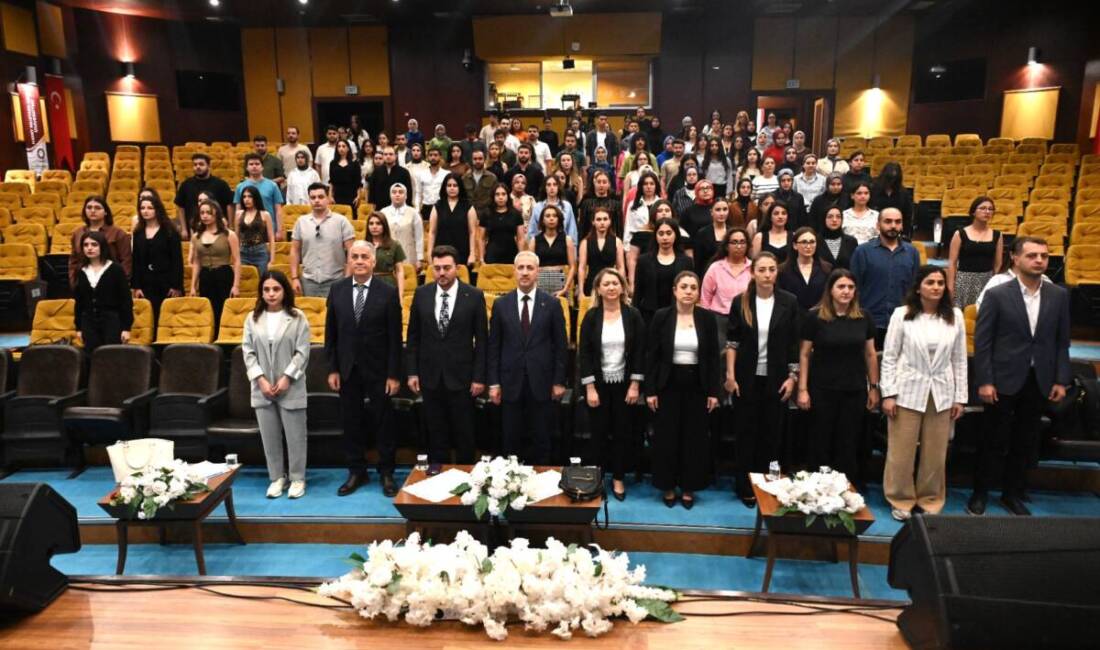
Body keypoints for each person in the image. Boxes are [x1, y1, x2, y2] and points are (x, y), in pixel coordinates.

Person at [968, 237, 1071, 517]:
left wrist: (1061, 379)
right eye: (1032, 255)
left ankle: (1011, 494)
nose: (1039, 260)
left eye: (1044, 256)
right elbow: (983, 342)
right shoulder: (997, 294)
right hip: (1002, 379)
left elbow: (1062, 342)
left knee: (1025, 440)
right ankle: (980, 493)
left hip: (1039, 379)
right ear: (1015, 258)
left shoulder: (1059, 295)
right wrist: (985, 380)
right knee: (991, 439)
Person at [880, 265, 967, 521]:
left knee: (935, 453)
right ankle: (900, 499)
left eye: (940, 283)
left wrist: (960, 397)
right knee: (901, 452)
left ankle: (930, 500)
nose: (936, 287)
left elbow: (959, 359)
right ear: (918, 287)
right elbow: (890, 356)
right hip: (906, 390)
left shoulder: (955, 316)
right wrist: (888, 394)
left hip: (941, 392)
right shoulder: (902, 314)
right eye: (930, 282)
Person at [325, 241, 402, 497]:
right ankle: (356, 471)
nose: (359, 261)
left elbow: (395, 338)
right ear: (349, 260)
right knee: (351, 422)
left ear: (373, 261)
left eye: (364, 257)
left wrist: (393, 374)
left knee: (384, 422)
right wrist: (333, 369)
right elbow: (331, 334)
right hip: (347, 369)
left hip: (379, 370)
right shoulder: (337, 290)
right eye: (355, 256)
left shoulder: (388, 292)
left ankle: (387, 472)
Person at [725, 252, 801, 505]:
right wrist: (730, 375)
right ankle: (745, 486)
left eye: (772, 269)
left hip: (776, 379)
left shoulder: (789, 302)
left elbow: (794, 344)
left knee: (772, 435)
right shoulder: (741, 302)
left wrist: (792, 377)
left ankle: (768, 485)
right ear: (752, 272)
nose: (767, 274)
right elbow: (732, 343)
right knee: (746, 434)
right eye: (762, 270)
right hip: (745, 378)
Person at [406, 245, 488, 466]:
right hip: (430, 376)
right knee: (435, 432)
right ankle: (438, 475)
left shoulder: (474, 295)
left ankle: (465, 476)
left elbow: (482, 341)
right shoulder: (422, 294)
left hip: (463, 378)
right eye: (437, 268)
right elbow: (413, 337)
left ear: (457, 268)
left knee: (464, 433)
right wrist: (412, 372)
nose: (441, 273)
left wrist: (479, 377)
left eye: (446, 268)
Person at [796, 268, 880, 482]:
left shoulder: (864, 317)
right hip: (821, 389)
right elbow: (804, 354)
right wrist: (802, 389)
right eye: (841, 286)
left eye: (851, 287)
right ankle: (818, 486)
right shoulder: (814, 316)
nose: (846, 291)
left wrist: (874, 387)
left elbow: (870, 354)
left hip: (854, 390)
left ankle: (846, 486)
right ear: (830, 290)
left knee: (848, 441)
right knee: (820, 440)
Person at [646, 271, 720, 509]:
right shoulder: (662, 316)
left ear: (698, 293)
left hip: (697, 384)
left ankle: (689, 487)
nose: (689, 291)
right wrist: (650, 390)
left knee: (694, 438)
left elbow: (713, 357)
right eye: (684, 287)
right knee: (666, 437)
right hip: (667, 384)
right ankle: (667, 486)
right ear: (675, 291)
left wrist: (714, 391)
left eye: (693, 287)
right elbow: (652, 355)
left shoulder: (707, 318)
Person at [487, 251, 568, 464]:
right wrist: (493, 383)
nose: (525, 272)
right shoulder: (501, 305)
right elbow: (494, 346)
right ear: (514, 271)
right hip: (509, 383)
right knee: (511, 439)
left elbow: (561, 346)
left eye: (529, 268)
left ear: (537, 272)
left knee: (542, 438)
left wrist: (559, 381)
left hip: (542, 383)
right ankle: (511, 479)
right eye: (520, 268)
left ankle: (543, 480)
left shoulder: (552, 304)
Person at [242, 270, 311, 499]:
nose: (271, 294)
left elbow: (302, 352)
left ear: (284, 291)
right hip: (262, 388)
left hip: (290, 386)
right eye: (266, 289)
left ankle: (297, 478)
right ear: (261, 293)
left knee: (295, 436)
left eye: (276, 289)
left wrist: (287, 377)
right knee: (269, 437)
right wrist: (260, 379)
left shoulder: (298, 317)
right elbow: (248, 352)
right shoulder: (252, 318)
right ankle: (276, 478)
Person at [579, 268, 644, 501]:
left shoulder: (633, 315)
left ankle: (618, 478)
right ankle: (597, 479)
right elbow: (584, 354)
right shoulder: (591, 316)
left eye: (615, 283)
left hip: (625, 386)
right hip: (598, 385)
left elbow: (640, 351)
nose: (611, 287)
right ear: (598, 289)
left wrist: (635, 384)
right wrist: (590, 388)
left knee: (621, 433)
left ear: (622, 287)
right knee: (598, 433)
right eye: (606, 284)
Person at [850, 208, 921, 347]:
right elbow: (854, 287)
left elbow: (916, 287)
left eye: (898, 222)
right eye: (888, 221)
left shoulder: (912, 253)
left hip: (903, 322)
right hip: (870, 322)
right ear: (878, 225)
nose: (893, 225)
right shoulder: (862, 251)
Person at [290, 183, 355, 298]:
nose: (316, 200)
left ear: (328, 198)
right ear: (309, 200)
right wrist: (294, 278)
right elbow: (294, 250)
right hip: (308, 282)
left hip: (336, 280)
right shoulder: (301, 222)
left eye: (320, 197)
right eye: (313, 197)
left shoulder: (341, 221)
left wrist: (347, 278)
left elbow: (352, 251)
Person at [73, 230, 133, 353]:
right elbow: (79, 302)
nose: (89, 248)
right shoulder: (81, 270)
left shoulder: (115, 269)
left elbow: (126, 300)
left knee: (111, 356)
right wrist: (78, 328)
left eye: (94, 245)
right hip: (88, 322)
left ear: (103, 246)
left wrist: (126, 328)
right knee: (91, 355)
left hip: (111, 321)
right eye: (86, 245)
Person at [189, 199, 241, 331]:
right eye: (202, 213)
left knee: (223, 310)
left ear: (216, 213)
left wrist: (236, 285)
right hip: (205, 276)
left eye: (208, 212)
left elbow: (236, 261)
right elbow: (197, 262)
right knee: (208, 311)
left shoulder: (229, 235)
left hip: (223, 274)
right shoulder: (196, 236)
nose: (205, 216)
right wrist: (193, 286)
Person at [131, 193, 183, 325]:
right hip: (146, 283)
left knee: (166, 319)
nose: (145, 211)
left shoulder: (170, 231)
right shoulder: (138, 233)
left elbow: (177, 260)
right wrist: (136, 286)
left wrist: (176, 285)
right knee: (149, 319)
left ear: (157, 209)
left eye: (150, 208)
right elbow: (136, 261)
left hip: (166, 282)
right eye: (142, 208)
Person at [633, 217, 694, 323]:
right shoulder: (644, 260)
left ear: (676, 235)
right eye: (661, 234)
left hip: (677, 315)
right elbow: (638, 292)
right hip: (649, 315)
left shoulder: (686, 261)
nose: (665, 237)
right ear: (655, 236)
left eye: (669, 233)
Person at [947, 196, 1003, 308]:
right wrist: (950, 287)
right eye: (982, 208)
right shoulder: (960, 234)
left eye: (990, 209)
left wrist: (996, 284)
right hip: (964, 280)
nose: (987, 211)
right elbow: (952, 263)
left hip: (987, 280)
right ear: (973, 212)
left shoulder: (997, 235)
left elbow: (998, 264)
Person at [68, 196, 132, 288]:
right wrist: (74, 282)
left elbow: (126, 261)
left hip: (111, 283)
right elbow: (74, 261)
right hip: (84, 283)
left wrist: (120, 283)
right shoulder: (78, 233)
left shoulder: (118, 233)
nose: (93, 210)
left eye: (97, 208)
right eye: (89, 207)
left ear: (105, 212)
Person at [176, 153, 235, 237]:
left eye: (201, 164)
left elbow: (229, 205)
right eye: (195, 164)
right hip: (194, 229)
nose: (198, 167)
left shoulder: (221, 184)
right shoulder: (186, 185)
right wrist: (184, 229)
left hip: (218, 229)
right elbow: (180, 207)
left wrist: (231, 226)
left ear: (208, 166)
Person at [701, 227, 752, 320]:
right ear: (726, 246)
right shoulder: (715, 268)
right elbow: (705, 299)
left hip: (746, 318)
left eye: (742, 242)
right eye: (734, 242)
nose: (739, 246)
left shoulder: (753, 268)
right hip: (719, 317)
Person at [428, 173, 478, 267]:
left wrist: (472, 254)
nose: (452, 188)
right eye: (449, 185)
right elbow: (432, 232)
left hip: (462, 252)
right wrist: (429, 253)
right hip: (441, 252)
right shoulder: (438, 206)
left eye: (455, 185)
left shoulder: (468, 206)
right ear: (445, 187)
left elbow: (472, 232)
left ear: (460, 187)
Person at [528, 204, 575, 298]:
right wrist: (534, 287)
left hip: (561, 282)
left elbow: (573, 267)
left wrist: (565, 288)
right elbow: (530, 266)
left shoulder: (567, 240)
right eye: (548, 216)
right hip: (540, 282)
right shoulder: (534, 240)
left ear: (559, 219)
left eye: (554, 216)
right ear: (542, 220)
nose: (551, 218)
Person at [778, 227, 832, 311]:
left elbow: (828, 294)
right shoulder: (783, 270)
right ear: (795, 245)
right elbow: (781, 296)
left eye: (812, 242)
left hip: (819, 315)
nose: (808, 246)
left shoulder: (826, 268)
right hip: (792, 315)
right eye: (804, 242)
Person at [578, 206, 625, 298]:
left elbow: (621, 267)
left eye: (605, 219)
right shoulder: (585, 242)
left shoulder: (617, 242)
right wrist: (580, 291)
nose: (602, 222)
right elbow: (581, 268)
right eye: (598, 219)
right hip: (591, 283)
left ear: (610, 221)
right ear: (593, 222)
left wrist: (621, 288)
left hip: (611, 284)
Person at [235, 153, 286, 239]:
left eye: (257, 164)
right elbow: (238, 210)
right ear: (247, 168)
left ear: (262, 167)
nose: (254, 166)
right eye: (251, 164)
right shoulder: (240, 187)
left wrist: (279, 230)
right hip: (246, 229)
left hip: (268, 228)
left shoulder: (272, 185)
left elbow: (278, 210)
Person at [380, 183, 424, 273]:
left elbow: (419, 238)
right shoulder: (383, 212)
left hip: (408, 255)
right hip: (388, 254)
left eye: (400, 192)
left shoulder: (414, 213)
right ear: (390, 195)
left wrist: (419, 259)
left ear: (406, 196)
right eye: (394, 192)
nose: (397, 194)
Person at [234, 185, 276, 277]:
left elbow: (271, 238)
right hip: (243, 252)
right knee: (244, 280)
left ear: (255, 198)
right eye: (244, 197)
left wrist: (272, 260)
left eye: (250, 196)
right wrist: (236, 257)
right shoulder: (238, 214)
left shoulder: (265, 214)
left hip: (260, 252)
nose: (246, 199)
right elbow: (236, 237)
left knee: (263, 279)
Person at [479, 183, 525, 265]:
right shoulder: (486, 214)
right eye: (497, 194)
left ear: (508, 196)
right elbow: (481, 239)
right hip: (491, 255)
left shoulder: (516, 214)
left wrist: (520, 257)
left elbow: (520, 238)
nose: (500, 197)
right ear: (493, 196)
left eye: (503, 194)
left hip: (511, 254)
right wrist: (481, 258)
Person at [366, 213, 407, 297]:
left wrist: (400, 294)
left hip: (388, 284)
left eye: (378, 223)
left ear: (384, 226)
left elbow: (399, 271)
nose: (374, 226)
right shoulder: (362, 245)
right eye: (371, 223)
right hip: (367, 283)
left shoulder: (394, 245)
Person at [870, 162, 914, 236]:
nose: (891, 182)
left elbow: (907, 214)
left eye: (894, 179)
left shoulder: (903, 192)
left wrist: (905, 233)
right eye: (889, 178)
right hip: (875, 226)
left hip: (895, 228)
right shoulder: (873, 188)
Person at [690, 197, 730, 278]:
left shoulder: (732, 232)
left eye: (725, 209)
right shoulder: (702, 234)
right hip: (708, 276)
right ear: (711, 212)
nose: (722, 213)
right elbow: (698, 263)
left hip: (728, 276)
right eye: (718, 210)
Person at [577, 169, 618, 239]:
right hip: (590, 240)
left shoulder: (616, 204)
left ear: (609, 184)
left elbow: (619, 228)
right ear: (594, 183)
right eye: (598, 182)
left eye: (604, 182)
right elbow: (582, 227)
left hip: (611, 240)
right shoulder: (586, 203)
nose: (601, 185)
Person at [818, 206, 859, 270]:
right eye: (830, 217)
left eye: (838, 217)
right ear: (824, 219)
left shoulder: (851, 241)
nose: (834, 220)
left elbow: (855, 266)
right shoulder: (816, 241)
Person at [460, 149, 497, 213]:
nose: (477, 161)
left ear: (484, 160)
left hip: (487, 213)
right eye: (475, 159)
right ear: (471, 160)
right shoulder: (464, 178)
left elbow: (495, 196)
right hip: (468, 212)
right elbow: (462, 197)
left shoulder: (492, 177)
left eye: (480, 159)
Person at [328, 140, 361, 208]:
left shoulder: (355, 163)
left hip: (351, 195)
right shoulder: (333, 163)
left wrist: (358, 196)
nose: (341, 148)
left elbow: (358, 182)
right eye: (339, 146)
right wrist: (330, 196)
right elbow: (331, 182)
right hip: (337, 195)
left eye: (343, 146)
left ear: (348, 148)